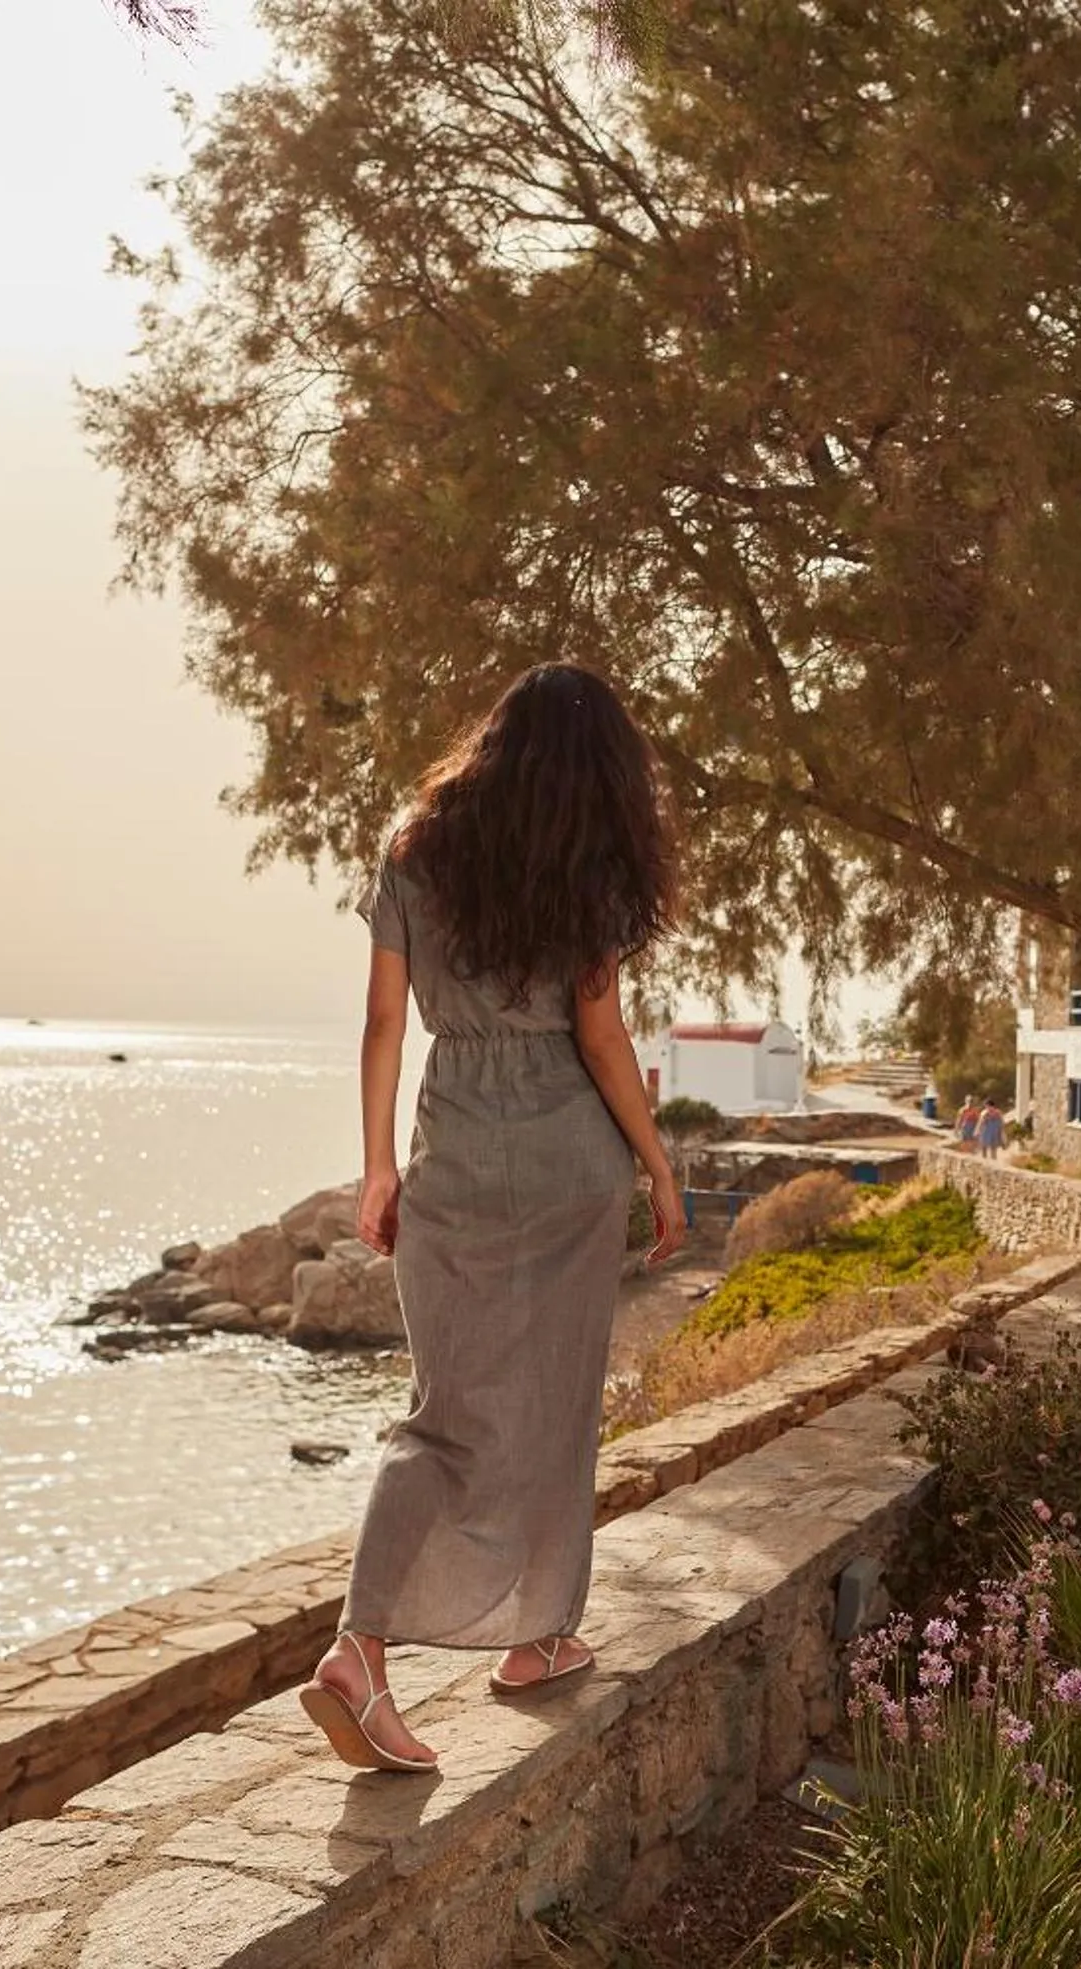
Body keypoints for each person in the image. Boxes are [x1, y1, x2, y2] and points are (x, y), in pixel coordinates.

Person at [298, 662, 685, 1775]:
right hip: (569, 1158)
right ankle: (537, 1637)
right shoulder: (589, 868)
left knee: (444, 1411)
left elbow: (383, 1022)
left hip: (455, 1153)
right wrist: (657, 1167)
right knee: (556, 1400)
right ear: (600, 768)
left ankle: (361, 1647)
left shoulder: (417, 851)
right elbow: (602, 1039)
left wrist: (376, 1166)